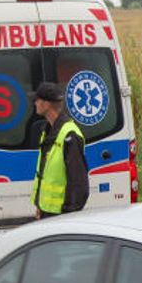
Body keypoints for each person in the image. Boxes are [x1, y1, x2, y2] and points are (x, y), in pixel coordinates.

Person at [30, 81, 88, 218]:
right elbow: (46, 175)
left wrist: (69, 215)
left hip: (61, 215)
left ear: (46, 104)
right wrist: (40, 205)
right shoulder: (48, 131)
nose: (35, 104)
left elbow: (79, 183)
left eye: (37, 100)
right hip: (48, 212)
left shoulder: (69, 135)